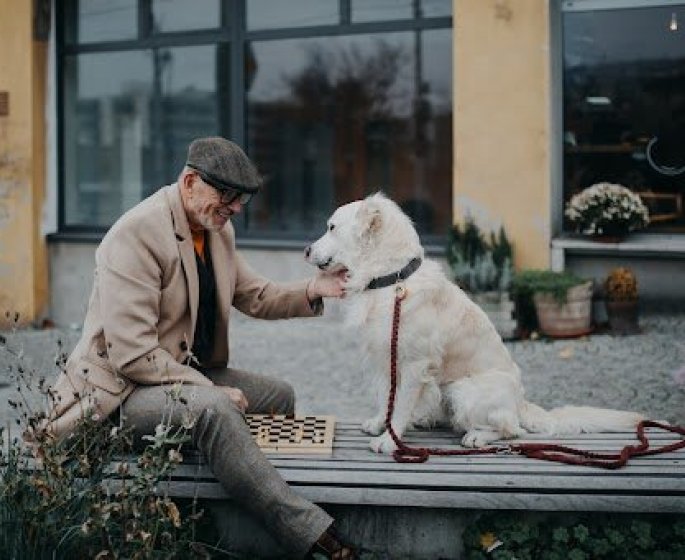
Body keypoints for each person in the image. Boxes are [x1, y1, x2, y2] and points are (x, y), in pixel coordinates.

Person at [41, 137, 355, 559]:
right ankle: (311, 534)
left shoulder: (214, 228)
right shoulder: (135, 235)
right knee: (214, 410)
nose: (237, 208)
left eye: (241, 199)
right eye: (228, 196)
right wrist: (208, 390)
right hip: (118, 394)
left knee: (278, 395)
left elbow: (255, 294)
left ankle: (256, 491)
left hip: (175, 375)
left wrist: (314, 288)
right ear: (191, 182)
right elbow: (131, 354)